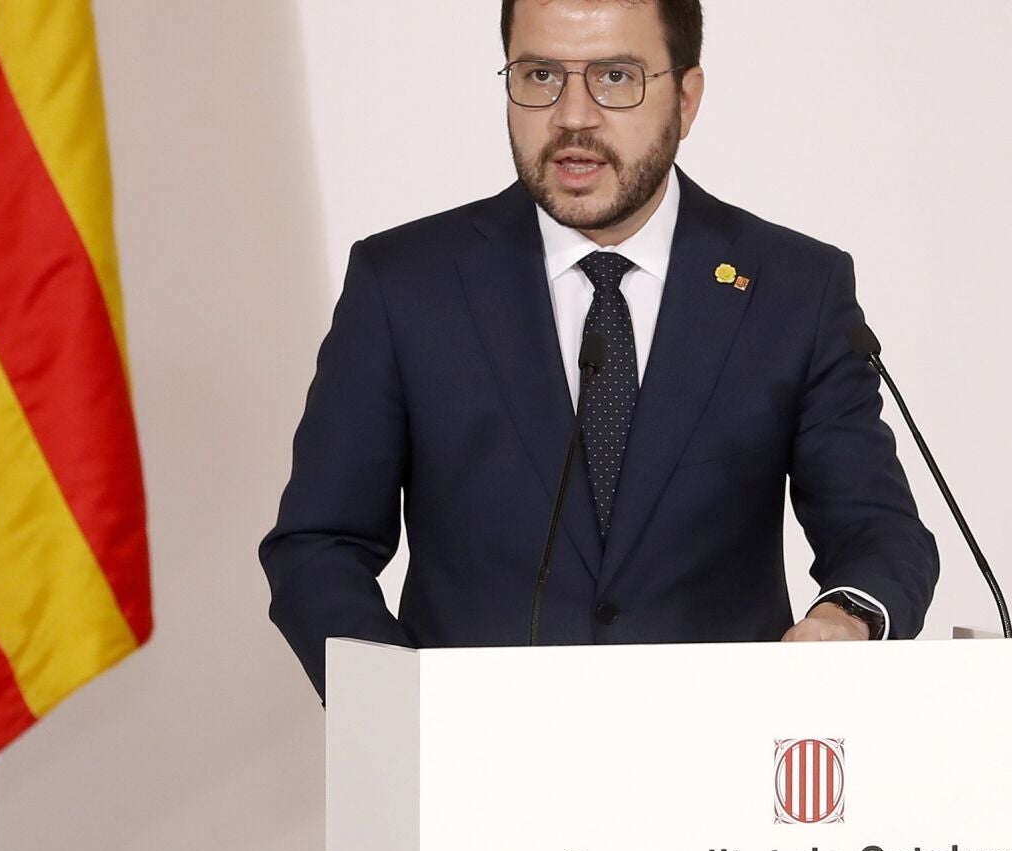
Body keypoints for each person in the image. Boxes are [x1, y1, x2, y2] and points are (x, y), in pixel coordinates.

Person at [260, 0, 939, 701]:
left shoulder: (792, 288)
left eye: (616, 77)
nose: (573, 116)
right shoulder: (405, 284)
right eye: (540, 75)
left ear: (686, 98)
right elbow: (319, 546)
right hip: (476, 752)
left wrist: (846, 617)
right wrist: (398, 706)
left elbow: (878, 532)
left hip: (718, 746)